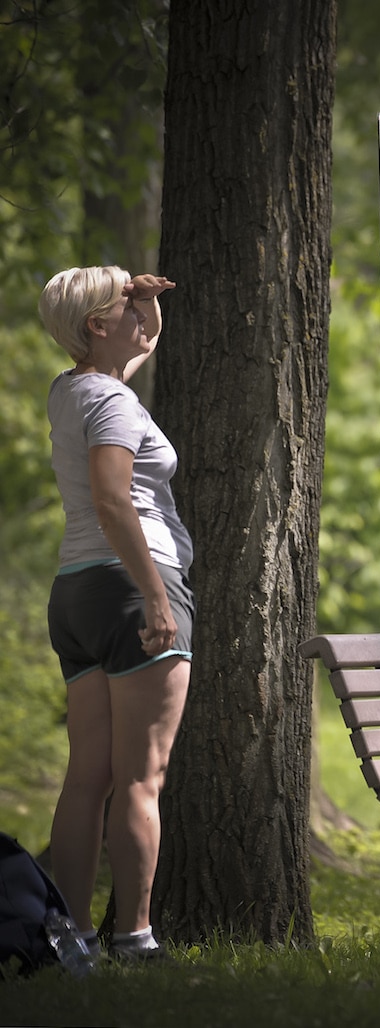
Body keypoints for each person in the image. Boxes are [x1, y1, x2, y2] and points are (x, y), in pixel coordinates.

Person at [38, 266, 192, 963]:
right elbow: (112, 499)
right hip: (133, 586)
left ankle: (65, 938)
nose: (140, 319)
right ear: (98, 325)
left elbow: (140, 346)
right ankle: (134, 935)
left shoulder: (70, 391)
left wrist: (145, 305)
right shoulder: (117, 407)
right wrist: (156, 598)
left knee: (87, 778)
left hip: (75, 592)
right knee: (139, 779)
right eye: (125, 308)